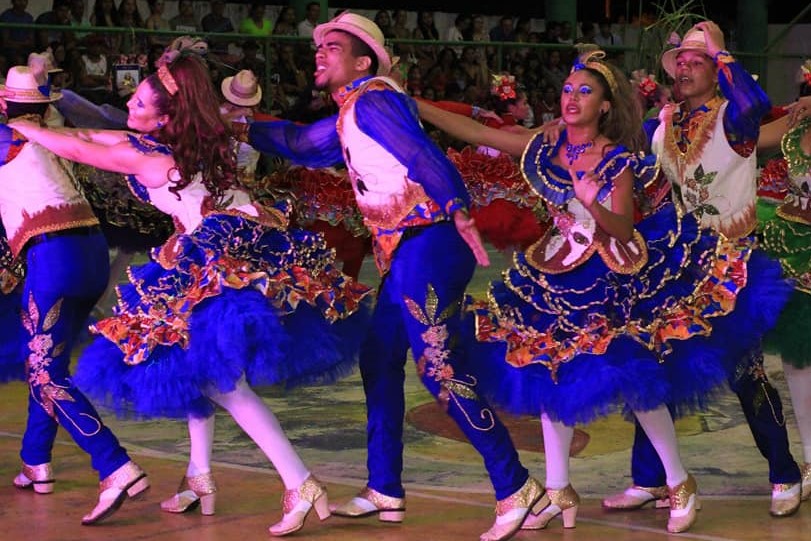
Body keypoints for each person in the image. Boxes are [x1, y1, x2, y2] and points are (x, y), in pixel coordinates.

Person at [417, 48, 791, 534]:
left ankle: (679, 481)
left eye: (585, 92)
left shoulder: (616, 160)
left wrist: (591, 203)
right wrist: (411, 104)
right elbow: (479, 133)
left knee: (634, 379)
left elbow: (621, 228)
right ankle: (558, 488)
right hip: (553, 274)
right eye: (567, 90)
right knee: (549, 373)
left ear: (606, 106)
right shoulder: (544, 145)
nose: (572, 98)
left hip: (610, 277)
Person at [10, 52, 373, 537]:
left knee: (222, 382)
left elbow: (81, 148)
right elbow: (94, 133)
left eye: (140, 103)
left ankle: (300, 482)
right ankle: (200, 476)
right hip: (236, 245)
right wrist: (37, 118)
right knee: (195, 368)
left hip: (215, 258)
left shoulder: (152, 158)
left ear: (165, 117)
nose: (129, 105)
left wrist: (22, 125)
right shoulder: (187, 138)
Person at [238, 12, 544, 541]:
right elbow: (300, 143)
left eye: (333, 47)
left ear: (363, 62)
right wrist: (239, 126)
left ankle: (516, 486)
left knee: (438, 367)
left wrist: (457, 207)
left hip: (431, 241)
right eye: (320, 46)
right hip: (407, 250)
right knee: (379, 357)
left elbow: (421, 154)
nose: (320, 52)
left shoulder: (375, 99)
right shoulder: (353, 111)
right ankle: (384, 487)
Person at [600, 20, 805, 518]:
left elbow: (756, 104)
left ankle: (784, 472)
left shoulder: (735, 119)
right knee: (657, 366)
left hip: (733, 265)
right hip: (679, 264)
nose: (685, 69)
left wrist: (722, 51)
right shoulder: (665, 125)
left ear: (717, 73)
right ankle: (651, 479)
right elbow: (644, 178)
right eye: (682, 63)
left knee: (744, 372)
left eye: (697, 62)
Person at [0, 62, 149, 525]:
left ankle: (115, 465)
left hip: (54, 257)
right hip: (91, 251)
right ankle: (36, 460)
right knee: (46, 361)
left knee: (44, 370)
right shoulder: (50, 136)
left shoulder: (7, 137)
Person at [757, 81, 811, 501]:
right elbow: (743, 141)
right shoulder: (798, 122)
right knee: (798, 360)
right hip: (793, 249)